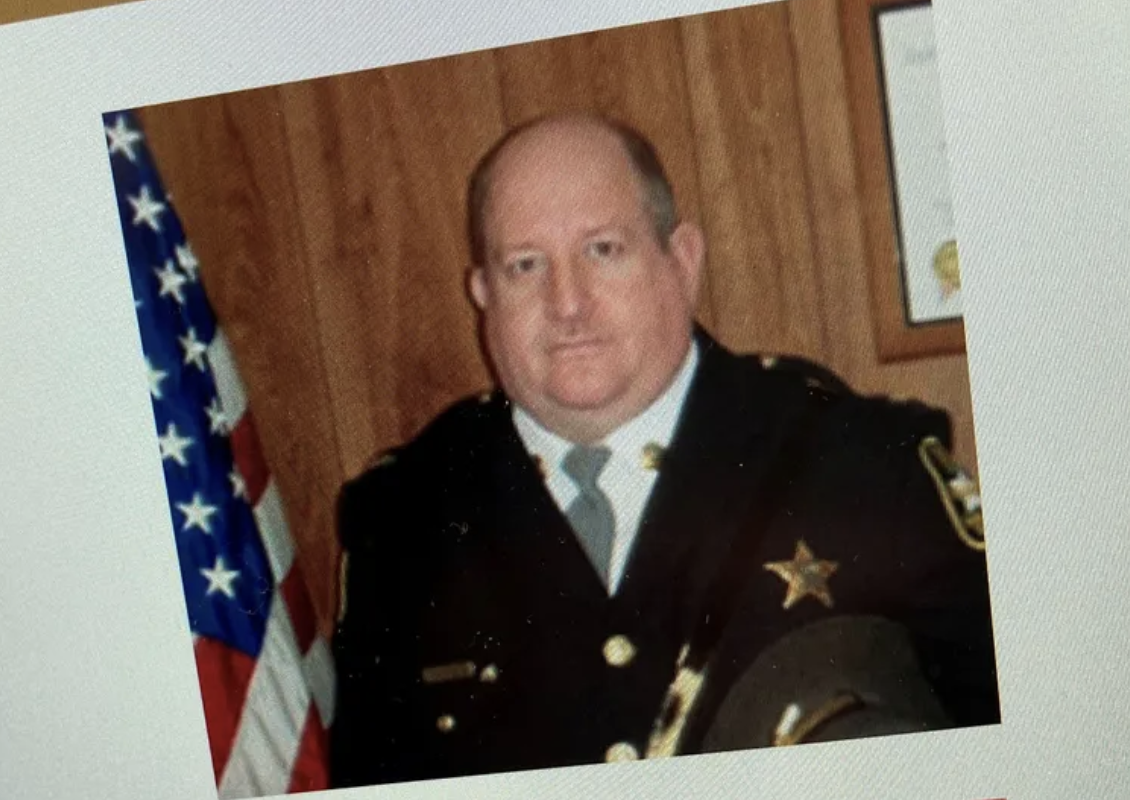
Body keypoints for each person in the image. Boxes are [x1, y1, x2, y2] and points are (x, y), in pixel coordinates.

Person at [329, 114, 998, 787]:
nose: (567, 303)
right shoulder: (402, 520)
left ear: (682, 261)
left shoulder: (863, 465)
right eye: (525, 265)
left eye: (603, 250)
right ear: (482, 295)